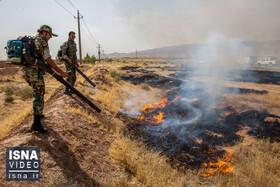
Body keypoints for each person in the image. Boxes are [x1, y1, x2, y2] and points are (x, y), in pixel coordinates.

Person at [23, 25, 69, 133]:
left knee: (37, 92)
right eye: (50, 35)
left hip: (27, 71)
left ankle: (38, 114)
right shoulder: (42, 41)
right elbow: (48, 59)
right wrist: (61, 72)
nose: (50, 37)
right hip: (34, 72)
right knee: (39, 94)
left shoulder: (34, 39)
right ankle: (36, 124)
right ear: (45, 33)